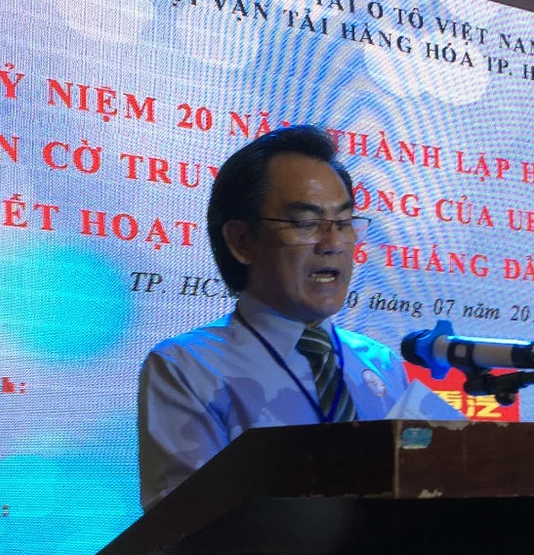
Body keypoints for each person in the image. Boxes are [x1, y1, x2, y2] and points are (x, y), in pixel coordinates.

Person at [138, 125, 412, 510]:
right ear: (241, 241)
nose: (333, 244)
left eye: (344, 222)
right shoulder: (186, 368)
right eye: (305, 224)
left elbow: (440, 483)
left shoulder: (382, 364)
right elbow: (188, 526)